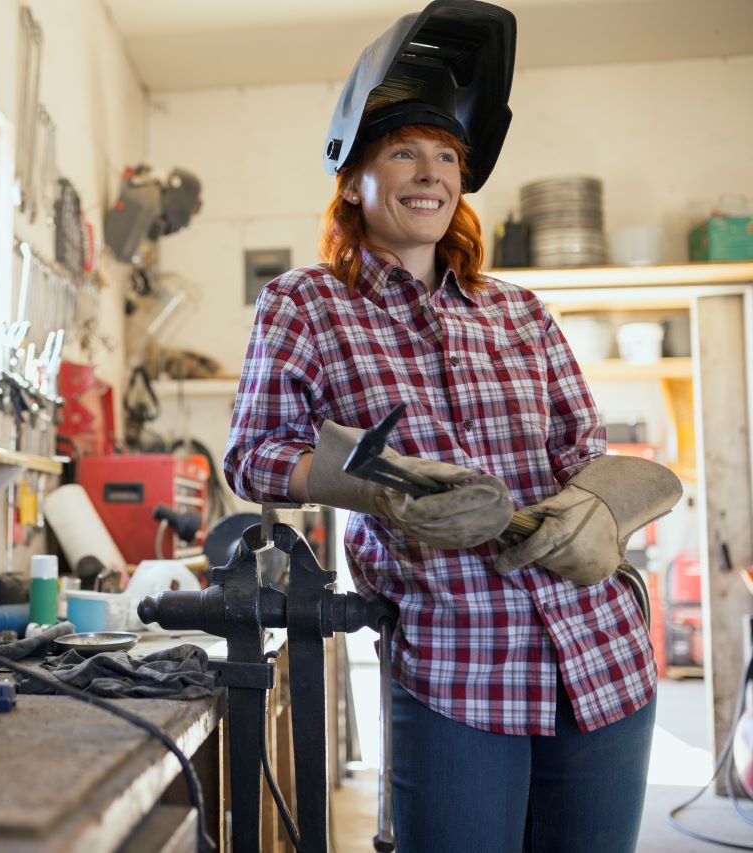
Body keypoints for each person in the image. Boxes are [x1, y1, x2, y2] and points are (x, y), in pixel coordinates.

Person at [222, 2, 682, 851]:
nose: (429, 172)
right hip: (458, 661)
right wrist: (379, 488)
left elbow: (583, 451)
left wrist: (603, 509)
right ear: (354, 177)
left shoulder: (518, 312)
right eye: (403, 151)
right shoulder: (307, 303)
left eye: (446, 156)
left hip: (602, 652)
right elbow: (253, 456)